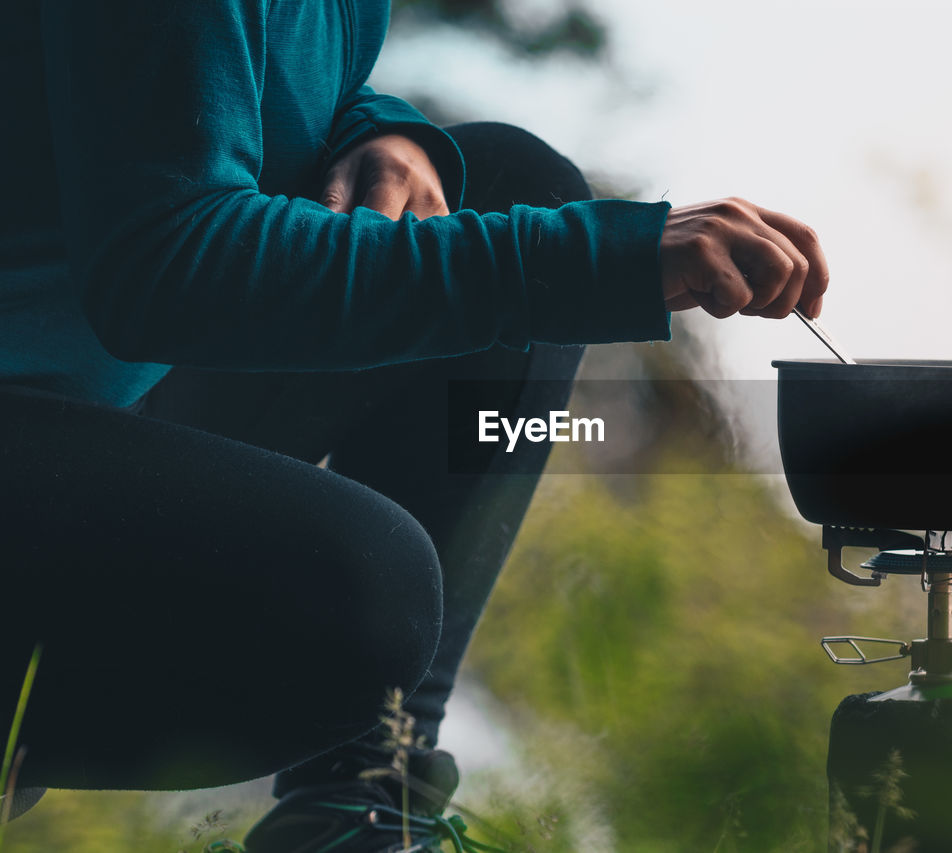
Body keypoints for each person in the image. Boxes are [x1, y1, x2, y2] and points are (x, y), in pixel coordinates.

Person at [1, 0, 828, 849]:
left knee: (510, 180)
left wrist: (385, 128)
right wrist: (593, 259)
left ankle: (364, 813)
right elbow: (168, 264)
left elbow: (211, 91)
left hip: (98, 406)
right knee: (362, 587)